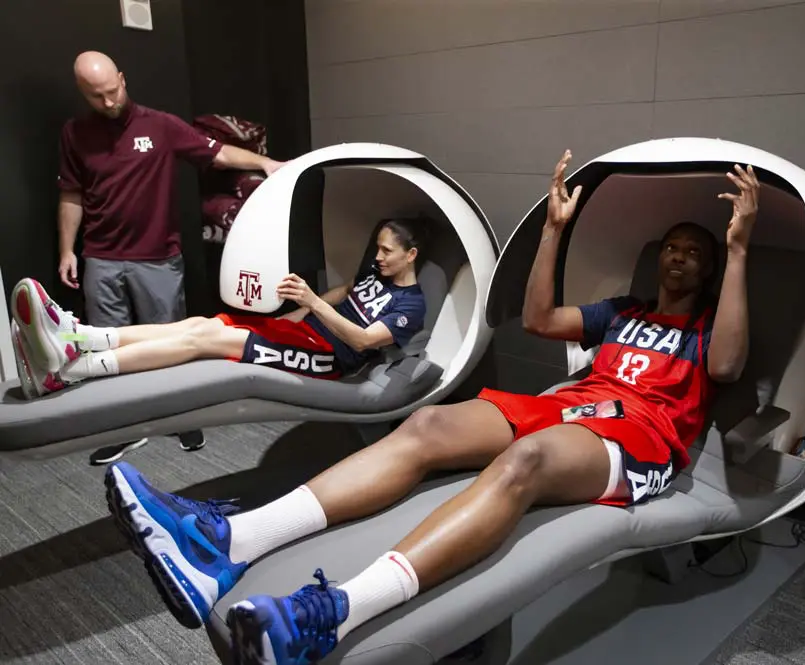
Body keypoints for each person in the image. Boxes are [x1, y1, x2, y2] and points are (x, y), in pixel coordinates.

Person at [100, 149, 758, 665]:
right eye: (673, 246)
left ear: (705, 271)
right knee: (429, 423)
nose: (679, 257)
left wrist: (736, 250)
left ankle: (335, 613)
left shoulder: (706, 330)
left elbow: (726, 366)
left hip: (643, 437)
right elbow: (537, 317)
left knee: (524, 461)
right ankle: (230, 542)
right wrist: (555, 230)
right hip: (578, 404)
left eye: (694, 252)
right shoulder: (624, 311)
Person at [53, 50, 287, 463]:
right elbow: (70, 194)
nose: (109, 103)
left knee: (173, 342)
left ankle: (180, 415)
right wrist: (67, 249)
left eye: (113, 91)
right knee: (110, 352)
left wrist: (265, 162)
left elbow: (217, 153)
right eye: (97, 97)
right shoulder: (75, 133)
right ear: (82, 93)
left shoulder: (159, 125)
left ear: (123, 79)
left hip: (157, 257)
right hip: (101, 258)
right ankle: (126, 428)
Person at [10, 218, 427, 394]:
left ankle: (71, 371)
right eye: (377, 249)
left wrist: (312, 302)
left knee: (203, 341)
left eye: (388, 252)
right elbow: (349, 288)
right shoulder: (378, 274)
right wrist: (299, 312)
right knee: (200, 323)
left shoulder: (412, 304)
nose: (379, 258)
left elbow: (364, 338)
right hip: (306, 332)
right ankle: (79, 337)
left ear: (412, 255)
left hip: (329, 357)